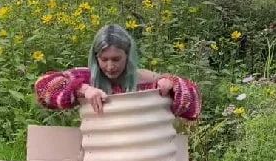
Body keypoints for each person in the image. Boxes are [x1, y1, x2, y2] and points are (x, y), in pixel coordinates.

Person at [35, 24, 201, 120]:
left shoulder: (146, 80)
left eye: (116, 59)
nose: (109, 66)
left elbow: (193, 106)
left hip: (142, 153)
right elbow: (43, 87)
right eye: (103, 59)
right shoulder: (86, 78)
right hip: (98, 154)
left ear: (127, 55)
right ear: (95, 57)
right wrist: (84, 89)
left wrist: (172, 84)